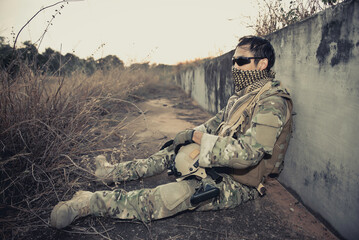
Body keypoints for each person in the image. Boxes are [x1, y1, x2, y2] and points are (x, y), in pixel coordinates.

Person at [50, 35, 293, 229]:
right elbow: (213, 124)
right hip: (219, 161)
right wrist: (185, 137)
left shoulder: (272, 102)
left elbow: (250, 153)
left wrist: (197, 139)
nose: (235, 67)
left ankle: (87, 202)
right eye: (233, 61)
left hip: (239, 182)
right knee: (171, 149)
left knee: (168, 198)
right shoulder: (242, 97)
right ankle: (109, 172)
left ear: (262, 64)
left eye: (241, 61)